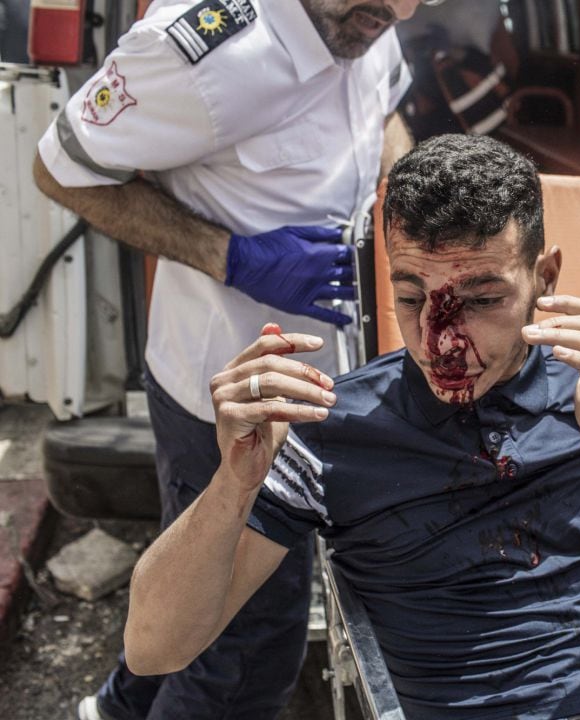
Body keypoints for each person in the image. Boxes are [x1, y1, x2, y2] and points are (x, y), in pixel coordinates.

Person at [120, 134, 580, 719]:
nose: (439, 340)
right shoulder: (332, 427)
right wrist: (231, 485)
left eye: (480, 301)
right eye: (412, 298)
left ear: (546, 279)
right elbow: (154, 649)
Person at [31, 1, 429, 718]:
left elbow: (386, 109)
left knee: (195, 601)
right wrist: (232, 256)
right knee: (244, 656)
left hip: (327, 376)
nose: (397, 10)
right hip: (227, 401)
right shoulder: (201, 52)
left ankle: (117, 710)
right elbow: (61, 169)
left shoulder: (371, 18)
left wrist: (404, 211)